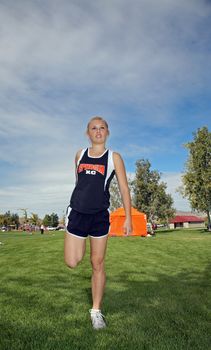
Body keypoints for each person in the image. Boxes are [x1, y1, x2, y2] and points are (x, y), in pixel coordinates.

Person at [64, 116, 132, 330]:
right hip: (77, 214)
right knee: (73, 261)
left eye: (102, 127)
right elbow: (79, 184)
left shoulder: (114, 158)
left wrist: (128, 217)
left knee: (98, 263)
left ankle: (96, 311)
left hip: (100, 217)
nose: (98, 131)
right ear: (88, 133)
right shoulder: (79, 155)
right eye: (94, 128)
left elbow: (123, 188)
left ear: (107, 132)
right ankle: (79, 241)